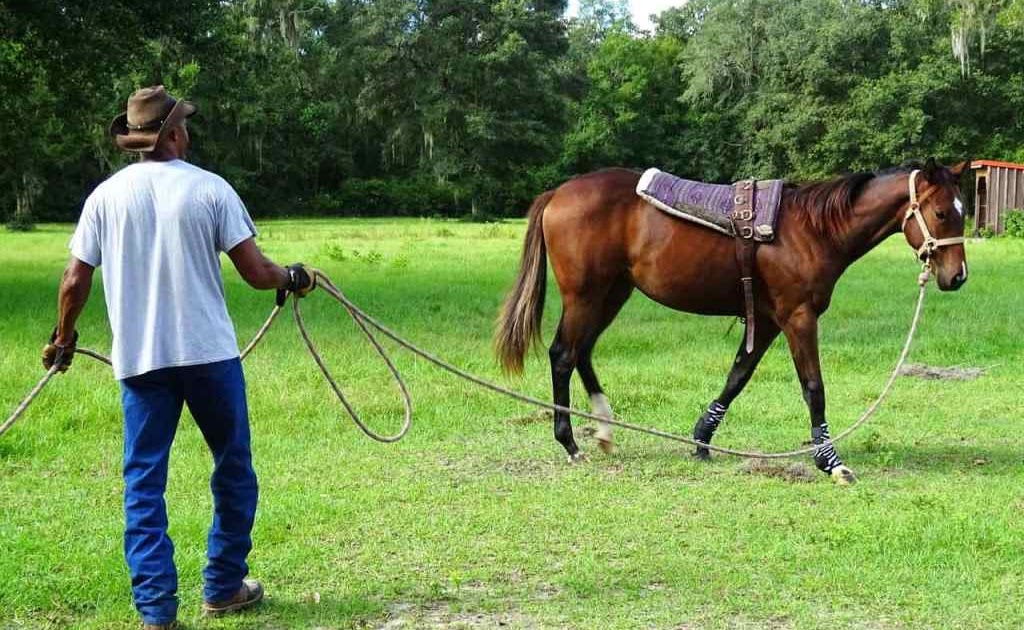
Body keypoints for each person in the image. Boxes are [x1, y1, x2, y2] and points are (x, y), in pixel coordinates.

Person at [42, 85, 316, 630]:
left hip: (141, 362)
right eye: (183, 124)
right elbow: (259, 274)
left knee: (144, 482)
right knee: (233, 468)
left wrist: (63, 338)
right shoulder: (210, 190)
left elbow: (75, 280)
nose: (188, 132)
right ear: (171, 135)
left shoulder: (105, 197)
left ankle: (156, 614)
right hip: (209, 356)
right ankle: (223, 586)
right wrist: (295, 277)